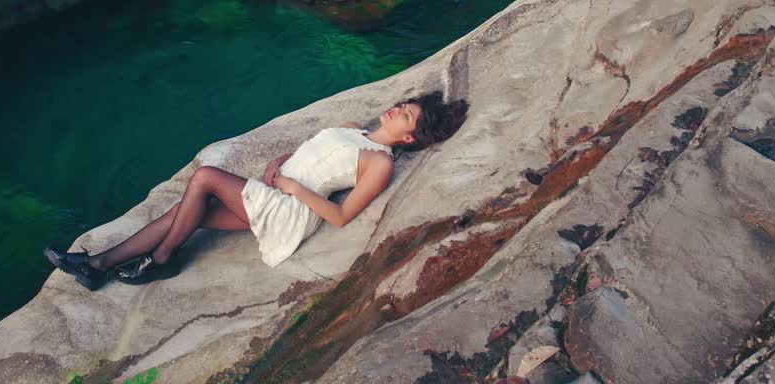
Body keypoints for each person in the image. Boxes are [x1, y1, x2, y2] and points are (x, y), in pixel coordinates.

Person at [44, 91, 469, 290]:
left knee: (205, 177)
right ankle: (97, 265)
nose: (398, 108)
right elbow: (309, 152)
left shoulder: (380, 163)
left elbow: (340, 216)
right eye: (404, 104)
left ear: (410, 139)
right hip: (277, 190)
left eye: (407, 116)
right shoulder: (353, 129)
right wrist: (276, 162)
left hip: (288, 210)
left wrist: (287, 185)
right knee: (184, 212)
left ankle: (162, 258)